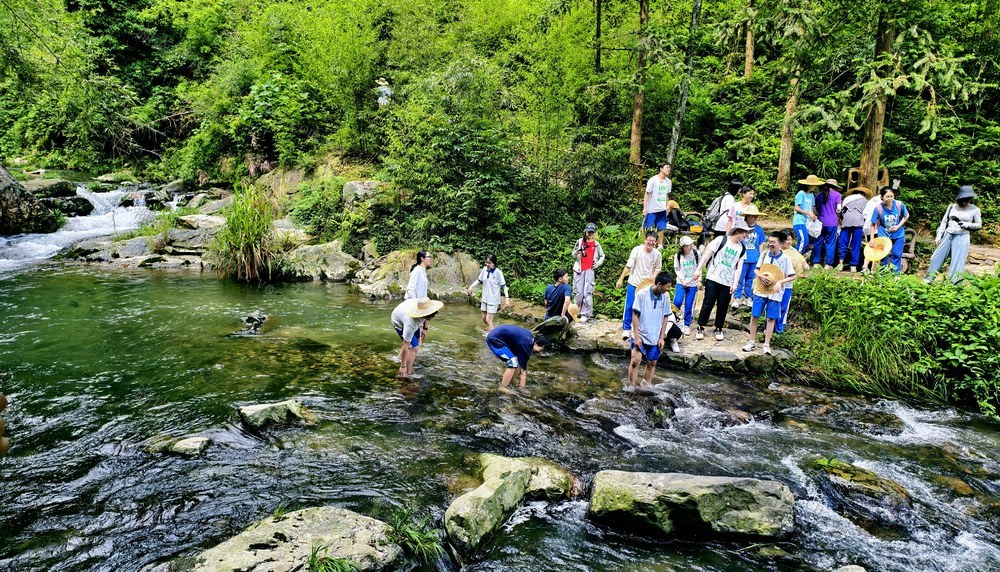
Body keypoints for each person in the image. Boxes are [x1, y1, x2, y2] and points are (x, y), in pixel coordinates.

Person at [743, 231, 797, 354]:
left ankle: (766, 344)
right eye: (769, 241)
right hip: (760, 290)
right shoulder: (764, 255)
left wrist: (780, 282)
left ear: (780, 243)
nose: (770, 244)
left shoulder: (785, 259)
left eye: (773, 242)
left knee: (771, 318)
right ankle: (751, 341)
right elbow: (756, 270)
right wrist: (761, 276)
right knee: (755, 315)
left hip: (775, 292)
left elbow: (792, 276)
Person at [693, 222, 748, 341]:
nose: (746, 235)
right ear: (738, 231)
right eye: (745, 232)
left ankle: (719, 328)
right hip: (713, 277)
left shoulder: (742, 248)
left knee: (723, 305)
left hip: (727, 281)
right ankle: (701, 326)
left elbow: (739, 268)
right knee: (708, 303)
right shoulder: (721, 240)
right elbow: (706, 256)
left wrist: (735, 283)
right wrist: (698, 270)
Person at [628, 272, 682, 387]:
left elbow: (665, 317)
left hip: (655, 335)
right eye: (667, 286)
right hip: (640, 334)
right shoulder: (642, 294)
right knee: (635, 361)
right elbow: (635, 315)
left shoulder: (665, 297)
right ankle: (630, 387)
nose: (669, 289)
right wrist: (636, 336)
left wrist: (662, 337)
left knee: (652, 362)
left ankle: (646, 386)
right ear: (659, 284)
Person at [926, 185, 983, 283]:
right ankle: (928, 280)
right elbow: (944, 222)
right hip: (948, 234)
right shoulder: (951, 207)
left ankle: (954, 285)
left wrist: (967, 225)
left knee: (957, 262)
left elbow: (979, 225)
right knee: (935, 258)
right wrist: (939, 236)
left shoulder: (974, 209)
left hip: (962, 236)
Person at [615, 231, 663, 339]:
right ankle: (626, 328)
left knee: (644, 308)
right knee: (630, 306)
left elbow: (658, 268)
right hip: (634, 282)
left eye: (653, 241)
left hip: (646, 285)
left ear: (655, 242)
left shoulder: (657, 254)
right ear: (645, 240)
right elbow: (629, 266)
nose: (651, 243)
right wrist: (620, 279)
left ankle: (638, 329)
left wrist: (653, 277)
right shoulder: (637, 250)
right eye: (649, 240)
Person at [391, 297, 443, 377]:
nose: (434, 316)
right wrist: (403, 366)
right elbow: (405, 344)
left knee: (418, 342)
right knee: (414, 347)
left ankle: (398, 358)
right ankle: (407, 372)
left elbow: (425, 319)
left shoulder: (422, 306)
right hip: (398, 321)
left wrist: (425, 329)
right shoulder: (411, 323)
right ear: (426, 314)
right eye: (433, 315)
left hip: (406, 313)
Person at [486, 324, 551, 388]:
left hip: (500, 336)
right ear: (536, 343)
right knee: (512, 362)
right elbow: (523, 373)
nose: (541, 352)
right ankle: (503, 387)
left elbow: (521, 364)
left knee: (517, 361)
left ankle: (511, 379)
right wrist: (522, 389)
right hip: (494, 340)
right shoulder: (525, 346)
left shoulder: (530, 337)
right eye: (541, 349)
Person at [869, 186, 910, 273]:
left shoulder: (899, 205)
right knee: (883, 256)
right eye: (887, 197)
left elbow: (906, 216)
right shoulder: (878, 208)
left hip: (898, 234)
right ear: (882, 197)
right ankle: (883, 275)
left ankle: (895, 276)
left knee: (896, 255)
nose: (890, 199)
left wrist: (898, 226)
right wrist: (872, 239)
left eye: (891, 196)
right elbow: (872, 224)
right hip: (884, 234)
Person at [734, 204, 766, 308]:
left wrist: (761, 258)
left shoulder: (759, 229)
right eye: (752, 216)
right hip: (743, 258)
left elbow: (761, 243)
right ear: (747, 216)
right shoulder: (741, 227)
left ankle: (748, 297)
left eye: (756, 216)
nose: (755, 218)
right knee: (739, 278)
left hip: (754, 258)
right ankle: (737, 298)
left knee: (750, 279)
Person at [572, 223, 605, 322]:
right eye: (588, 232)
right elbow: (573, 255)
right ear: (585, 231)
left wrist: (597, 264)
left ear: (594, 233)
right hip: (579, 269)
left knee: (587, 292)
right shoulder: (580, 241)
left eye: (592, 232)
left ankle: (585, 314)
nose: (590, 234)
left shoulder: (596, 244)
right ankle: (575, 312)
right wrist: (577, 252)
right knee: (578, 292)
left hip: (589, 270)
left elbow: (602, 256)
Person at [468, 253, 510, 331]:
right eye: (486, 262)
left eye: (489, 263)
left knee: (488, 320)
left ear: (494, 263)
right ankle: (492, 329)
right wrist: (471, 286)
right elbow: (479, 280)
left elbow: (504, 286)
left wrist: (507, 298)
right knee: (484, 319)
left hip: (493, 300)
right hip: (485, 298)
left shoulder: (498, 272)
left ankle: (491, 337)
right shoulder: (484, 269)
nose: (487, 264)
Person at [776, 233, 807, 334]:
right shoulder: (776, 251)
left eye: (790, 240)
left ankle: (780, 328)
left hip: (788, 284)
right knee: (774, 306)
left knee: (785, 306)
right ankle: (769, 327)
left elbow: (803, 264)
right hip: (776, 283)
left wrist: (804, 265)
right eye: (786, 240)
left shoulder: (793, 251)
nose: (789, 242)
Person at [812, 179, 843, 269]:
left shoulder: (818, 195)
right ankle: (828, 264)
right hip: (832, 222)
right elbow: (838, 209)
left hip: (820, 221)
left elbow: (814, 208)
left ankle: (816, 262)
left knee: (818, 242)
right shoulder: (837, 195)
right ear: (835, 187)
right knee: (830, 243)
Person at [838, 186, 870, 272]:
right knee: (856, 244)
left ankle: (840, 263)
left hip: (846, 221)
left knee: (843, 242)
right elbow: (866, 214)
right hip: (858, 222)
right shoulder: (865, 201)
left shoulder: (847, 199)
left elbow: (840, 211)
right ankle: (853, 266)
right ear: (863, 194)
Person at [672, 235, 700, 335]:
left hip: (693, 283)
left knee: (689, 304)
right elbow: (677, 269)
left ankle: (687, 324)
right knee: (677, 301)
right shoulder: (678, 255)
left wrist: (699, 280)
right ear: (683, 247)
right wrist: (682, 280)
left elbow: (699, 267)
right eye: (687, 245)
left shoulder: (696, 254)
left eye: (690, 244)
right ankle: (675, 320)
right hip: (681, 282)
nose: (690, 246)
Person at [643, 163, 672, 246]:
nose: (669, 169)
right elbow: (647, 193)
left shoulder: (668, 182)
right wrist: (645, 208)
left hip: (662, 209)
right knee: (648, 228)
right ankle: (646, 244)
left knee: (661, 228)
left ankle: (659, 246)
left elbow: (666, 194)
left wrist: (667, 205)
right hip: (652, 209)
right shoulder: (653, 180)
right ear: (661, 169)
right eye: (667, 167)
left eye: (669, 168)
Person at [793, 175, 822, 255]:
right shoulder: (801, 193)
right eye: (814, 185)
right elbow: (796, 208)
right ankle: (796, 257)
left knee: (809, 242)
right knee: (804, 241)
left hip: (807, 222)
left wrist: (814, 215)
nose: (815, 187)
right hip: (799, 221)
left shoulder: (811, 195)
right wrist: (808, 213)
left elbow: (812, 208)